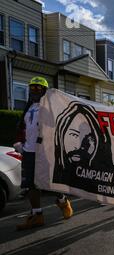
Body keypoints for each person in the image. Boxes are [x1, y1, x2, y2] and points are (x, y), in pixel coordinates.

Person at [15, 77, 74, 231]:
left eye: (38, 88)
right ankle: (37, 215)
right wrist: (20, 142)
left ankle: (62, 200)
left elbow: (58, 127)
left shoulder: (50, 108)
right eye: (32, 88)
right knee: (30, 185)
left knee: (50, 181)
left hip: (45, 152)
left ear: (44, 90)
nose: (34, 91)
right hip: (28, 152)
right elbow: (24, 127)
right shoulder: (28, 108)